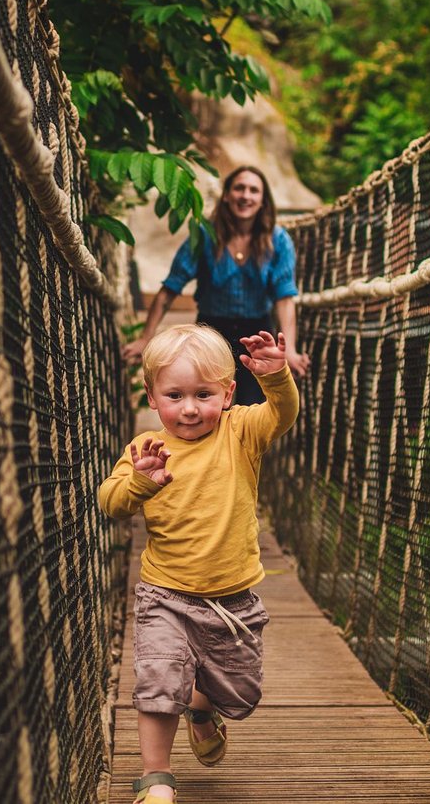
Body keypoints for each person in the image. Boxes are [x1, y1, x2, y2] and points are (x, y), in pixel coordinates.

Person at [98, 323, 299, 802]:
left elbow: (283, 414)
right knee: (159, 679)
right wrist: (142, 482)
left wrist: (276, 376)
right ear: (151, 397)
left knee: (241, 694)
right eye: (175, 395)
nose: (189, 408)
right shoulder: (145, 452)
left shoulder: (241, 432)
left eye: (203, 394)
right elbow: (111, 501)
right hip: (164, 594)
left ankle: (202, 708)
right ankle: (157, 778)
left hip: (233, 599)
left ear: (228, 394)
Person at [121, 165, 309, 405]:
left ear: (263, 201)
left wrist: (289, 350)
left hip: (257, 335)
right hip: (210, 332)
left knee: (254, 408)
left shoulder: (278, 240)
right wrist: (146, 337)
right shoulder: (206, 235)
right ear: (227, 195)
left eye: (254, 190)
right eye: (239, 188)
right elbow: (170, 288)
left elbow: (285, 298)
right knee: (210, 406)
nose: (246, 195)